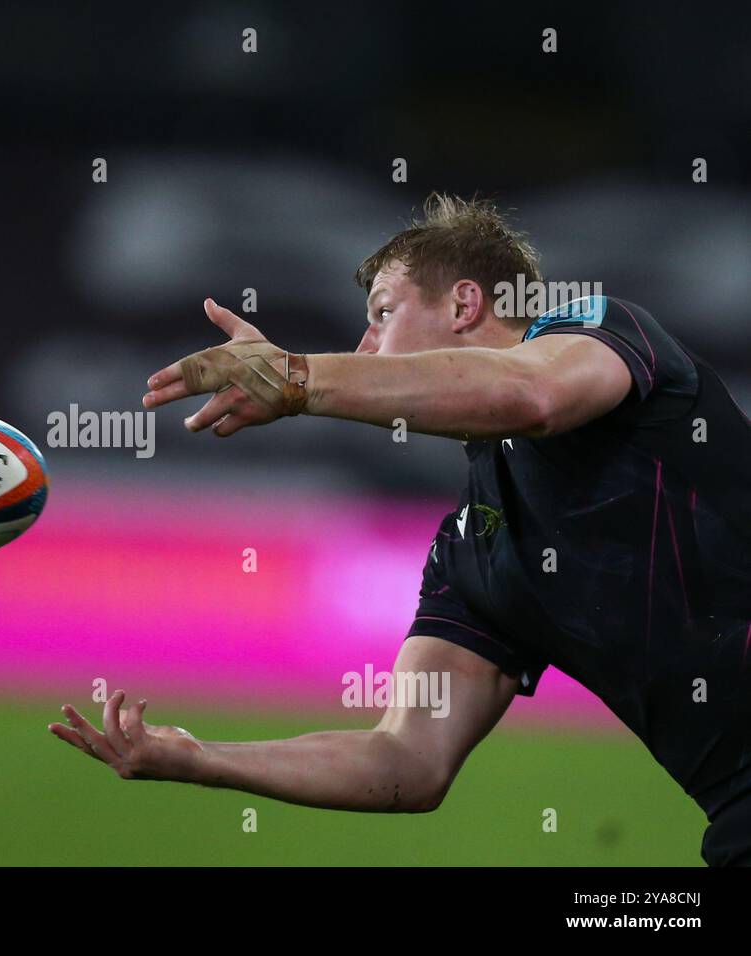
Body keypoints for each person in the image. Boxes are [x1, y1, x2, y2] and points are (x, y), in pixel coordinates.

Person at [49, 193, 751, 866]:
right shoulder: (470, 554)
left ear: (465, 303)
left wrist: (298, 380)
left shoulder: (600, 331)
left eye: (382, 313)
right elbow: (407, 760)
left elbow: (529, 395)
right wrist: (202, 759)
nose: (364, 344)